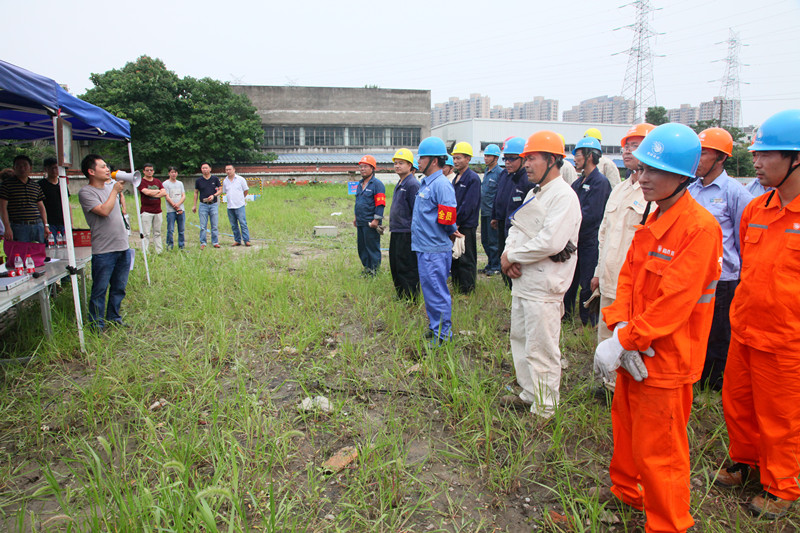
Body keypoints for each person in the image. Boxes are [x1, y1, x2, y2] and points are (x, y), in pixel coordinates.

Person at [593, 123, 722, 533]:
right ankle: (627, 493)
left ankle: (668, 524)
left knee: (661, 450)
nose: (643, 177)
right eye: (642, 168)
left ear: (682, 177)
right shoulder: (654, 215)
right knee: (626, 430)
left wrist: (626, 339)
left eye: (654, 171)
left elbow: (674, 303)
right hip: (635, 348)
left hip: (665, 360)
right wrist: (620, 328)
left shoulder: (698, 228)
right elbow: (628, 278)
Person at [713, 109, 800, 520]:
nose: (757, 163)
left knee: (781, 416)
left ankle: (782, 486)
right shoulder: (757, 209)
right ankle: (745, 463)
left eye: (766, 155)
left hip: (786, 340)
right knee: (738, 404)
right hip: (745, 329)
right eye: (756, 154)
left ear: (796, 159)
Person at [499, 130, 581, 418]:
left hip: (545, 285)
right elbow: (516, 228)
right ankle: (528, 392)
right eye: (526, 159)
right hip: (523, 281)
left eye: (532, 158)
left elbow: (550, 242)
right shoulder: (534, 193)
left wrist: (512, 257)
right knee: (520, 340)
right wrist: (507, 254)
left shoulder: (564, 196)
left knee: (541, 348)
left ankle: (545, 408)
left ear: (552, 160)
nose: (527, 164)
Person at [688, 127, 753, 391]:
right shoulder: (690, 189)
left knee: (718, 333)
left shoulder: (735, 193)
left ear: (721, 157)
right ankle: (693, 375)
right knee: (694, 329)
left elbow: (743, 238)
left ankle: (713, 386)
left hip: (723, 279)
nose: (698, 159)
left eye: (704, 153)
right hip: (693, 275)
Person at [590, 123, 654, 392]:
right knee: (606, 333)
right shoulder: (620, 190)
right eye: (626, 146)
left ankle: (623, 390)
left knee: (627, 340)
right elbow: (604, 233)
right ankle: (605, 384)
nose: (627, 151)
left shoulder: (654, 194)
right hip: (609, 278)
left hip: (634, 285)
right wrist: (597, 272)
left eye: (635, 146)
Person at [411, 137, 462, 344]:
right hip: (424, 247)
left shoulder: (441, 185)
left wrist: (452, 230)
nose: (418, 161)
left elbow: (447, 218)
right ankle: (435, 327)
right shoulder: (426, 183)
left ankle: (443, 335)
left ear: (433, 160)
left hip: (434, 249)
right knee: (430, 292)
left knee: (437, 293)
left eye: (421, 157)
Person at [78, 154, 131, 331]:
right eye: (102, 167)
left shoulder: (110, 186)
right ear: (91, 171)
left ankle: (114, 318)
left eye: (107, 166)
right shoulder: (86, 192)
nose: (107, 169)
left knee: (119, 287)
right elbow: (103, 211)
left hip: (122, 246)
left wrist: (116, 187)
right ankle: (96, 325)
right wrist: (115, 191)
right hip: (104, 250)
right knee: (100, 290)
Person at [563, 137, 611, 327]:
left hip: (590, 241)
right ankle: (566, 315)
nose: (575, 159)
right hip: (575, 240)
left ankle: (588, 321)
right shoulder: (578, 183)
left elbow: (591, 215)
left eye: (578, 155)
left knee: (587, 283)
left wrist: (571, 223)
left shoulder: (600, 183)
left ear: (590, 156)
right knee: (569, 281)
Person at [491, 137, 534, 289]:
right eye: (505, 159)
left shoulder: (527, 180)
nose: (508, 162)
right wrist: (496, 216)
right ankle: (508, 286)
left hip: (520, 229)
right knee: (502, 254)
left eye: (512, 159)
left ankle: (514, 287)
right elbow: (499, 197)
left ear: (523, 159)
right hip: (504, 224)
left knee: (515, 260)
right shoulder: (506, 175)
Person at [388, 148, 420, 300]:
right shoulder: (401, 182)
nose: (397, 166)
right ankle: (401, 294)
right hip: (396, 230)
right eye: (396, 163)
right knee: (396, 264)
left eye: (401, 163)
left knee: (406, 266)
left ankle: (410, 297)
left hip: (406, 232)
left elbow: (416, 211)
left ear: (410, 165)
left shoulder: (412, 184)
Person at [450, 142, 481, 294]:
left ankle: (467, 289)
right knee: (455, 256)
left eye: (459, 158)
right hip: (455, 224)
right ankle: (457, 284)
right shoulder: (456, 178)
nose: (456, 161)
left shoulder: (473, 178)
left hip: (465, 225)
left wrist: (458, 223)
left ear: (468, 159)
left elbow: (469, 205)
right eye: (454, 158)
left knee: (466, 256)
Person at [0, 155, 49, 243]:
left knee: (39, 250)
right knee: (20, 250)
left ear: (30, 168)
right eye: (18, 165)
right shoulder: (7, 185)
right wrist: (7, 228)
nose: (22, 168)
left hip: (37, 225)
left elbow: (41, 206)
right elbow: (3, 208)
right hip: (18, 226)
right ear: (14, 168)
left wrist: (45, 225)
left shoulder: (35, 185)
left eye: (25, 165)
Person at [353, 155, 385, 276]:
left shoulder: (377, 184)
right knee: (362, 247)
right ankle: (367, 268)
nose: (362, 169)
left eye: (365, 167)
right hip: (361, 221)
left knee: (372, 247)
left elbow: (380, 204)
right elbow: (358, 202)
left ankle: (374, 270)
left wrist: (376, 220)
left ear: (372, 168)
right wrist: (356, 218)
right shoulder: (360, 184)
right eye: (361, 167)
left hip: (371, 222)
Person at [480, 144, 503, 276]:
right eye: (485, 155)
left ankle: (496, 266)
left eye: (489, 156)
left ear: (496, 158)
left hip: (492, 212)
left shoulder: (499, 173)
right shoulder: (486, 171)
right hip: (484, 211)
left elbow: (499, 194)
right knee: (485, 240)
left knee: (494, 241)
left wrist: (496, 214)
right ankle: (490, 264)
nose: (486, 158)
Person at [136, 163, 166, 254]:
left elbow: (164, 193)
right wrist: (157, 191)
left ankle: (159, 251)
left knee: (157, 232)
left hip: (158, 211)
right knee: (146, 233)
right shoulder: (141, 182)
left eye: (151, 170)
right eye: (147, 170)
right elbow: (146, 192)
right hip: (146, 211)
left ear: (153, 171)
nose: (149, 172)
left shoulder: (157, 181)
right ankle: (145, 251)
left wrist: (153, 193)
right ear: (144, 171)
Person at [193, 162, 222, 249]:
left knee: (214, 225)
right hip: (203, 205)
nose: (204, 169)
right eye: (203, 168)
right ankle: (203, 242)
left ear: (210, 169)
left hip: (213, 205)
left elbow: (220, 190)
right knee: (203, 226)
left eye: (206, 168)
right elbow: (196, 193)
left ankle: (215, 242)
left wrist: (214, 196)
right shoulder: (198, 181)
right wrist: (194, 205)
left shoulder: (215, 179)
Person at [40, 157, 70, 237]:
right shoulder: (41, 185)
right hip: (49, 222)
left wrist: (71, 222)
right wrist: (45, 224)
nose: (54, 171)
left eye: (56, 168)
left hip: (63, 221)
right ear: (46, 169)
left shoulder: (62, 183)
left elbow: (67, 203)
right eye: (51, 168)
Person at [223, 164, 251, 247]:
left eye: (230, 169)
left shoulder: (240, 179)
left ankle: (246, 240)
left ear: (234, 170)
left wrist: (241, 198)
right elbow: (225, 192)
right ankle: (237, 240)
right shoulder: (225, 181)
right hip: (230, 206)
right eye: (226, 170)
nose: (228, 171)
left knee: (243, 223)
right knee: (233, 224)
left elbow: (246, 190)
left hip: (240, 205)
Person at [162, 166, 187, 250]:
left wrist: (179, 205)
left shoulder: (180, 183)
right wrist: (175, 206)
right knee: (170, 230)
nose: (174, 174)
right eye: (172, 172)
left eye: (175, 172)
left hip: (181, 210)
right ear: (169, 173)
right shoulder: (165, 184)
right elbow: (167, 197)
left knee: (181, 230)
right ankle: (169, 246)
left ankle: (181, 246)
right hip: (171, 211)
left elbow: (183, 196)